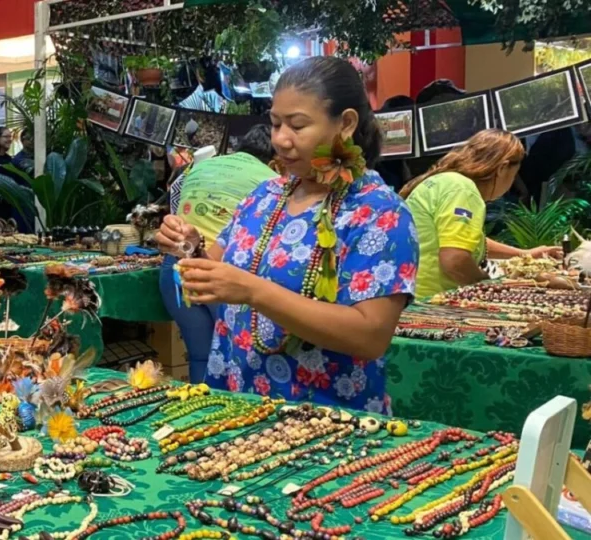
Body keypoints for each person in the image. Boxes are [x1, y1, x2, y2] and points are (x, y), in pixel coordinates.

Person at [156, 56, 419, 414]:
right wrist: (189, 247)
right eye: (276, 123)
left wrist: (254, 291)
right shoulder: (265, 196)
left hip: (326, 425)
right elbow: (217, 270)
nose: (280, 139)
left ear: (345, 124)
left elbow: (370, 335)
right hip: (237, 410)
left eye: (297, 126)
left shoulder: (378, 213)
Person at [159, 125, 277, 383]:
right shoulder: (273, 182)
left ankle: (200, 414)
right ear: (275, 160)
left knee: (201, 356)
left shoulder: (198, 166)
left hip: (178, 267)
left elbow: (176, 211)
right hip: (225, 275)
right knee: (235, 358)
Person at [401, 129, 563, 299]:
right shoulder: (463, 190)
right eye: (514, 175)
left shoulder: (446, 181)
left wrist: (525, 254)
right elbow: (454, 260)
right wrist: (489, 287)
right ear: (502, 168)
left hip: (412, 296)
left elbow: (461, 238)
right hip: (429, 301)